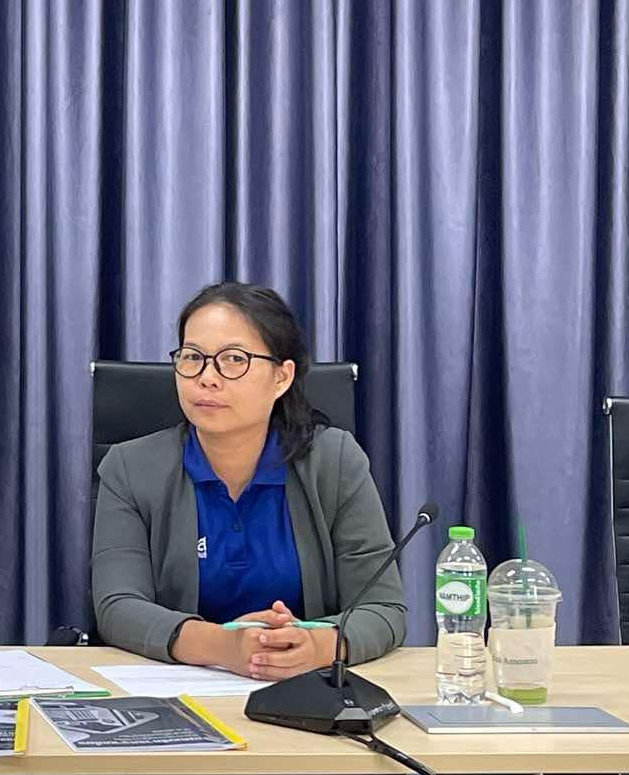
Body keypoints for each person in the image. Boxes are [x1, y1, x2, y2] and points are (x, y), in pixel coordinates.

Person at [92, 280, 406, 678]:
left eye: (233, 359)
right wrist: (225, 647)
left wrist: (317, 646)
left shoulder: (335, 462)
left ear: (282, 377)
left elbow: (383, 608)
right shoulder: (130, 467)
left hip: (307, 689)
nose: (207, 377)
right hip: (178, 691)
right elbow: (118, 606)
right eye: (193, 357)